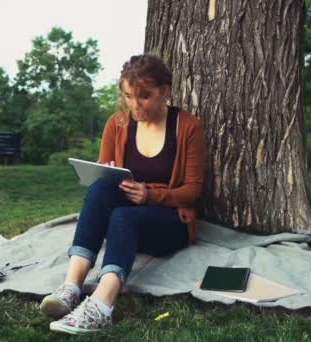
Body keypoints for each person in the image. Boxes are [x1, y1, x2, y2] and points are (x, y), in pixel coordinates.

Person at [40, 54, 206, 335]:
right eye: (128, 96)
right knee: (102, 188)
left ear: (165, 91)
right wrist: (109, 173)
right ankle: (71, 286)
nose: (135, 105)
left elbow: (192, 191)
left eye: (144, 96)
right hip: (125, 212)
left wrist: (149, 196)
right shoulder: (117, 124)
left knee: (123, 216)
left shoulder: (188, 126)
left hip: (169, 221)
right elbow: (103, 177)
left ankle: (102, 305)